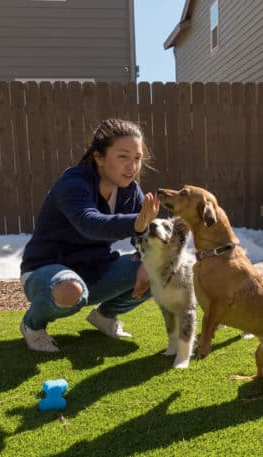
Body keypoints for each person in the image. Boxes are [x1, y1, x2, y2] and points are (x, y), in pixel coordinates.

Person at [19, 118, 160, 352]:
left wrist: (148, 258)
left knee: (161, 270)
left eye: (137, 158)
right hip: (46, 272)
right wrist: (137, 223)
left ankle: (104, 317)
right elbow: (89, 223)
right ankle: (32, 325)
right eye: (123, 156)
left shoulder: (130, 190)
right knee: (70, 290)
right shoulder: (73, 182)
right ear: (99, 157)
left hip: (95, 271)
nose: (132, 166)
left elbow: (144, 236)